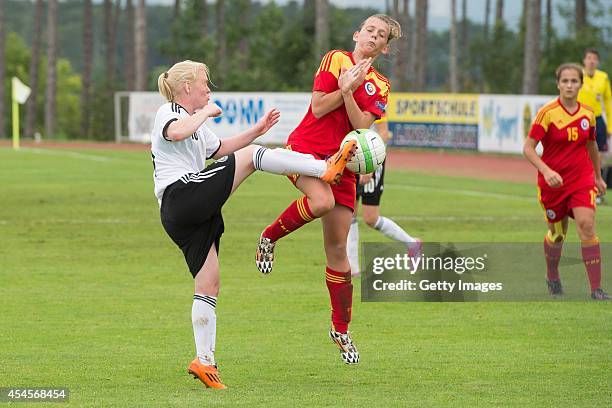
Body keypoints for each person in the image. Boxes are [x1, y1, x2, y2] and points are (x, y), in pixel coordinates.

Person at [152, 60, 357, 389]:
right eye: (205, 82)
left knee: (209, 284)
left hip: (185, 213)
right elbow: (177, 132)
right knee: (252, 156)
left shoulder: (193, 120)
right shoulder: (170, 111)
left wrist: (256, 131)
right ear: (187, 87)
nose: (209, 88)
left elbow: (219, 150)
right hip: (182, 195)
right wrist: (205, 114)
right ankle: (324, 169)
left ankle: (204, 361)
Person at [254, 14, 402, 364]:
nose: (374, 37)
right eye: (370, 30)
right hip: (305, 150)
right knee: (320, 201)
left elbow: (361, 126)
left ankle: (341, 329)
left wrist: (351, 89)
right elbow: (319, 106)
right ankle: (269, 236)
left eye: (381, 35)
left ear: (384, 47)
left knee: (339, 252)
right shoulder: (335, 59)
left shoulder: (380, 84)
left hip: (344, 165)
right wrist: (344, 85)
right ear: (357, 34)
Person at [523, 62, 609, 301]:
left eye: (574, 81)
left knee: (587, 226)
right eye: (565, 81)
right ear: (558, 84)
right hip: (553, 184)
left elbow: (591, 146)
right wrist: (546, 170)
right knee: (557, 234)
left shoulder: (588, 114)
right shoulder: (547, 113)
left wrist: (598, 176)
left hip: (580, 179)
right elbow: (528, 148)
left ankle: (596, 289)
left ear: (581, 84)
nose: (569, 85)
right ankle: (552, 275)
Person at [347, 116, 421, 276]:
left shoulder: (374, 95)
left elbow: (384, 133)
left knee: (370, 218)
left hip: (371, 161)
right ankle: (353, 268)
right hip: (351, 159)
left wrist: (371, 164)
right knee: (348, 212)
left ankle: (412, 244)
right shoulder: (348, 96)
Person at [577, 48, 612, 204]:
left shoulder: (603, 77)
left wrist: (610, 126)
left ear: (597, 61)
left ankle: (597, 192)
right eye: (589, 58)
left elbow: (609, 102)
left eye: (594, 58)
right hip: (579, 119)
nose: (591, 61)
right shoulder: (577, 75)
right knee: (579, 155)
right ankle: (579, 189)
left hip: (597, 120)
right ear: (584, 61)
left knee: (598, 157)